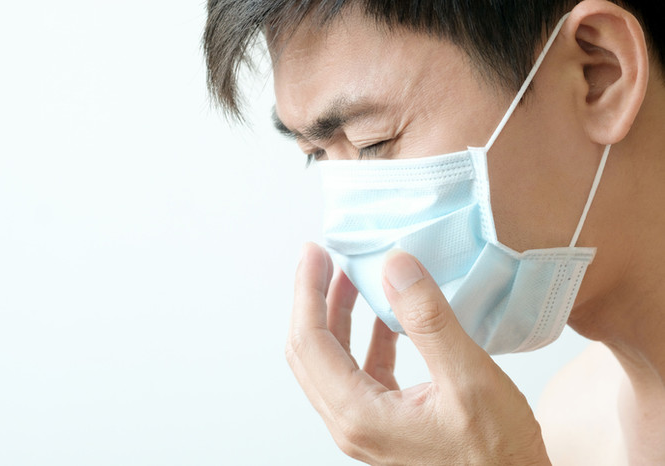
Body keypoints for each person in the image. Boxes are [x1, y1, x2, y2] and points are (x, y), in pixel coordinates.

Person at [203, 0, 665, 464]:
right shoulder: (571, 422)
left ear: (598, 74)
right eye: (317, 154)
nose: (347, 227)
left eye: (371, 141)